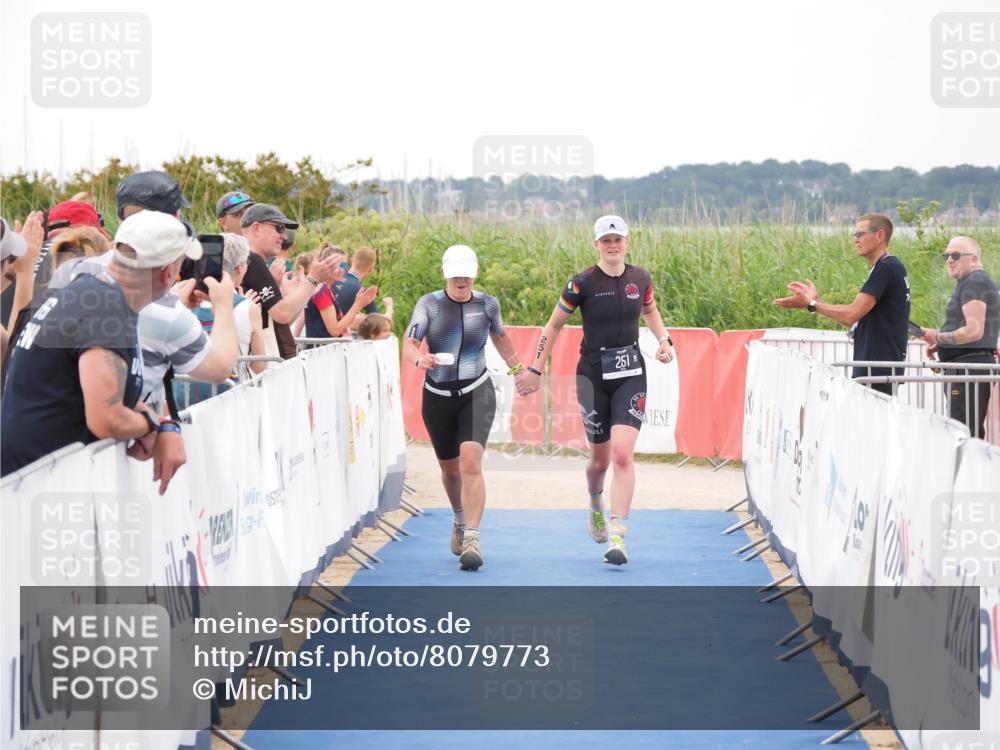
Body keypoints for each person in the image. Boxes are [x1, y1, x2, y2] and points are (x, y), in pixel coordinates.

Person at [0, 211, 201, 493]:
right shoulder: (103, 306)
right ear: (169, 273)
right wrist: (152, 424)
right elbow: (106, 419)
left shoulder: (95, 295)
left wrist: (161, 425)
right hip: (36, 491)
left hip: (36, 484)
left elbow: (88, 393)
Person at [520, 216, 675, 566]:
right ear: (596, 245)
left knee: (622, 454)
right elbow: (554, 325)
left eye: (617, 239)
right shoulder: (582, 283)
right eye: (606, 241)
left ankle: (618, 536)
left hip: (631, 374)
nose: (612, 245)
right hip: (592, 374)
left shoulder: (641, 278)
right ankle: (594, 503)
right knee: (599, 461)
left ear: (627, 241)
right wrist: (536, 367)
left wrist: (664, 340)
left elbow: (651, 311)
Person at [403, 244, 530, 571]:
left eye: (466, 274)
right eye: (455, 274)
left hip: (477, 391)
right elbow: (409, 341)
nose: (461, 280)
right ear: (446, 274)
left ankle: (473, 536)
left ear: (474, 274)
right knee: (449, 469)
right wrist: (419, 358)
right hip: (437, 395)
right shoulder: (429, 304)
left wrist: (518, 372)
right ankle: (459, 518)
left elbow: (502, 339)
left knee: (471, 462)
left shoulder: (488, 304)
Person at [773, 213, 910, 395]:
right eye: (854, 235)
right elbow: (851, 320)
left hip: (877, 368)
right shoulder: (887, 267)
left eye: (860, 234)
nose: (856, 240)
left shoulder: (886, 268)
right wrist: (817, 303)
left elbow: (851, 314)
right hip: (876, 367)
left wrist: (812, 304)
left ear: (880, 235)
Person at [918, 236, 999, 438]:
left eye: (955, 255)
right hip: (966, 366)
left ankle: (972, 470)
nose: (949, 260)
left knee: (963, 431)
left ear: (973, 259)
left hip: (968, 369)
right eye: (946, 255)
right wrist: (942, 342)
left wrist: (938, 338)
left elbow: (973, 330)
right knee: (962, 428)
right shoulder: (972, 282)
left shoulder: (975, 281)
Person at [239, 204, 341, 359]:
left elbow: (281, 320)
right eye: (279, 228)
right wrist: (313, 279)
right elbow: (282, 314)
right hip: (268, 363)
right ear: (257, 228)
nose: (284, 236)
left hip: (264, 360)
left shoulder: (246, 260)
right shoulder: (253, 260)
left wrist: (294, 294)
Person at [304, 245, 376, 339]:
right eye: (337, 265)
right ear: (325, 263)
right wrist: (358, 304)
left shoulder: (327, 289)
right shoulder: (322, 291)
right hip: (322, 350)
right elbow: (334, 330)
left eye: (344, 265)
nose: (341, 269)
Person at [337, 245, 393, 320]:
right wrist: (389, 308)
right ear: (370, 270)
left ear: (351, 260)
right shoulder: (363, 293)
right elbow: (379, 323)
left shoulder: (332, 279)